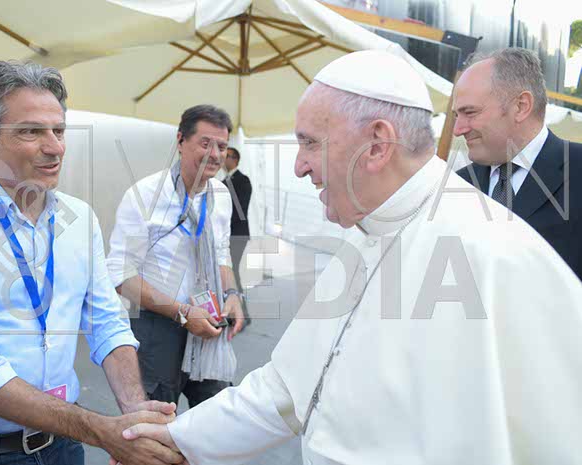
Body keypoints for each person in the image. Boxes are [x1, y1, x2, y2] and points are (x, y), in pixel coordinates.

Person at [117, 50, 582, 464]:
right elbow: (285, 390)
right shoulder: (367, 233)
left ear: (377, 144)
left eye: (310, 143)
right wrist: (172, 437)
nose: (299, 165)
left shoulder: (495, 254)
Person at [0, 61, 182, 465]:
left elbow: (107, 321)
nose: (55, 147)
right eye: (31, 131)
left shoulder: (79, 217)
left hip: (63, 446)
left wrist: (134, 413)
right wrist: (102, 432)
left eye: (59, 130)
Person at [106, 105, 245, 410]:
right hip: (157, 329)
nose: (215, 155)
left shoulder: (221, 195)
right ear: (181, 141)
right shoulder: (145, 195)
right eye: (205, 143)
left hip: (209, 324)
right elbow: (120, 274)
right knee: (157, 423)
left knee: (216, 419)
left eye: (222, 146)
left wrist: (233, 294)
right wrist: (182, 313)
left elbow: (221, 253)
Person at [454, 48, 582, 279]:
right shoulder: (459, 185)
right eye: (456, 115)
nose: (458, 129)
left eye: (470, 112)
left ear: (521, 106)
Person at [223, 147, 253, 324]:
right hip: (226, 235)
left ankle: (243, 314)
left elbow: (239, 210)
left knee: (232, 272)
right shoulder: (222, 182)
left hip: (237, 234)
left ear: (235, 159)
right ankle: (234, 313)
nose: (222, 158)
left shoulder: (243, 181)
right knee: (228, 272)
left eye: (226, 155)